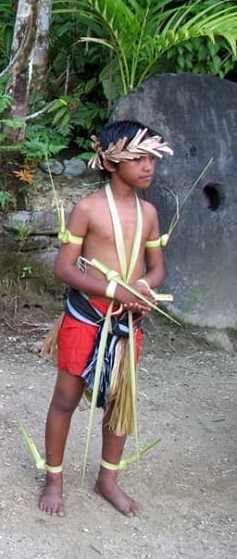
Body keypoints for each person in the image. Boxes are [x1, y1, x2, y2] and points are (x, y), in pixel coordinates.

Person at [37, 120, 172, 517]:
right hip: (87, 315)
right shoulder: (88, 208)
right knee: (66, 397)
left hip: (128, 318)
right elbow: (65, 268)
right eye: (139, 158)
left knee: (119, 401)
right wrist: (115, 291)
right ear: (111, 162)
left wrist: (143, 289)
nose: (149, 166)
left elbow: (156, 268)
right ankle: (54, 478)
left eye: (152, 158)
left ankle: (108, 479)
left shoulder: (149, 213)